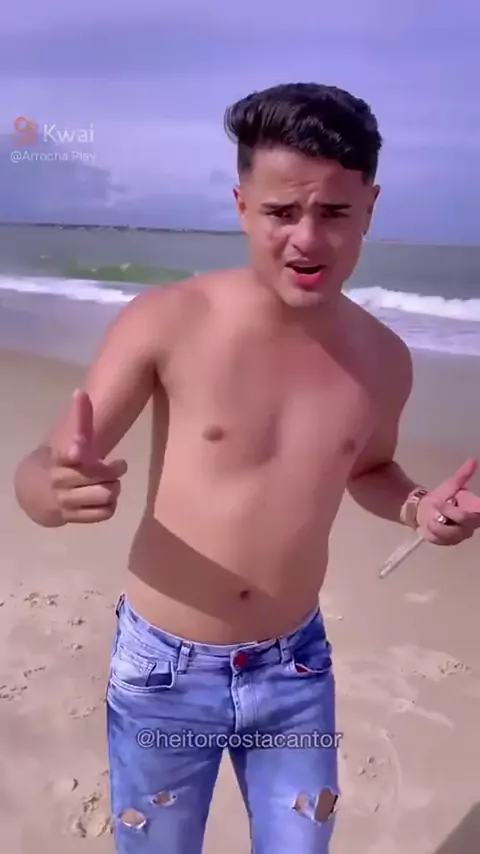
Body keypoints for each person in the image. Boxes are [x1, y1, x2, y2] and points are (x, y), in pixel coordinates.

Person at [14, 82, 480, 854]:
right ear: (241, 206)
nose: (307, 238)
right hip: (163, 669)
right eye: (280, 212)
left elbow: (371, 469)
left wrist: (419, 507)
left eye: (335, 212)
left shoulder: (383, 360)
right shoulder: (170, 320)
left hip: (295, 669)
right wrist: (52, 491)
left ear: (370, 206)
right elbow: (42, 468)